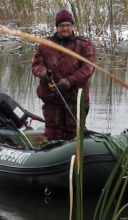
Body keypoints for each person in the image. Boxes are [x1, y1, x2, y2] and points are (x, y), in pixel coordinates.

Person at [31, 9, 95, 141]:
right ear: (57, 27)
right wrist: (42, 72)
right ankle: (53, 158)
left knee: (75, 132)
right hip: (52, 96)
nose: (65, 28)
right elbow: (36, 65)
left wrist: (70, 81)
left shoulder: (83, 44)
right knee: (53, 132)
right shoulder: (45, 44)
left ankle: (77, 159)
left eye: (68, 25)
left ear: (72, 26)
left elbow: (88, 67)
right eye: (62, 26)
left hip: (75, 97)